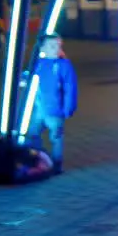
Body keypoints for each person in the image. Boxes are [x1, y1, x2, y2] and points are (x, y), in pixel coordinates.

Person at [26, 34, 77, 175]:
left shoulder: (63, 65)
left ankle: (56, 163)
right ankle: (39, 159)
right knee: (32, 134)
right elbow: (32, 78)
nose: (56, 49)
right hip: (39, 108)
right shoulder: (39, 64)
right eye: (52, 46)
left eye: (58, 46)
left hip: (55, 110)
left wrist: (68, 108)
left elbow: (70, 88)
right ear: (43, 48)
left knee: (56, 137)